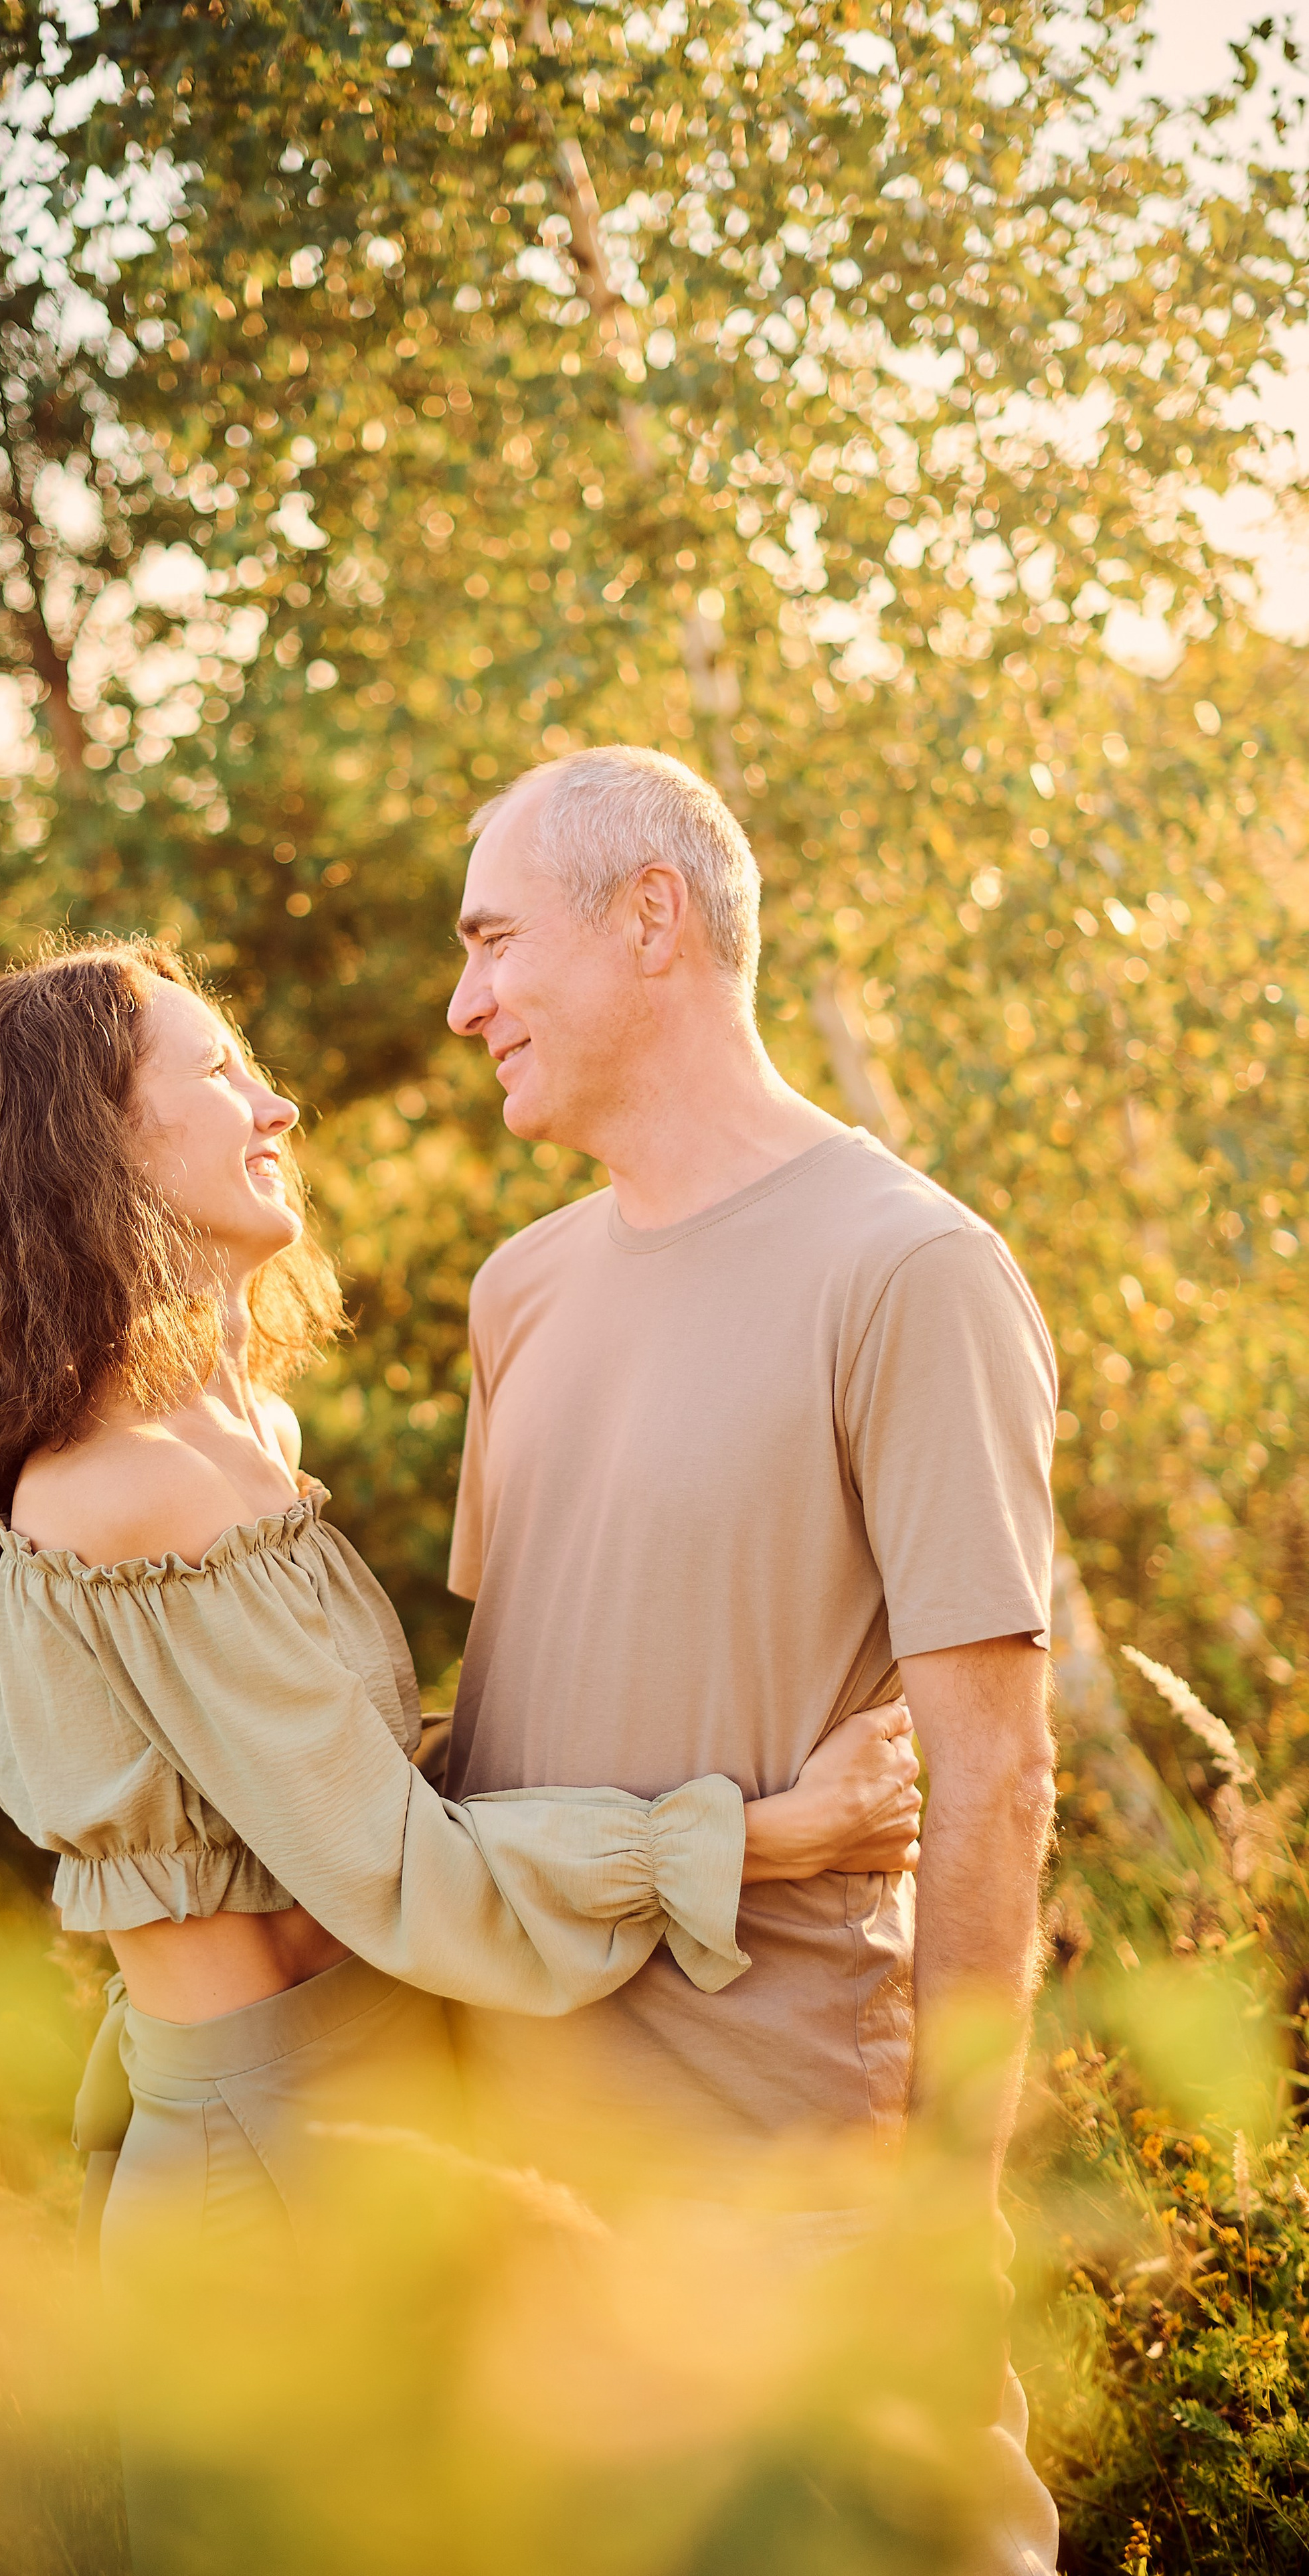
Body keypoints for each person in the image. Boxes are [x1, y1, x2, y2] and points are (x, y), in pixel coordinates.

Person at [0, 935, 921, 2271]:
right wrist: (770, 1833)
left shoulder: (243, 1437)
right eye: (223, 1072)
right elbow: (405, 1874)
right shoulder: (119, 1492)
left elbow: (374, 1787)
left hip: (386, 2114)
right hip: (269, 2166)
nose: (275, 1106)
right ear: (91, 1145)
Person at [442, 746, 1061, 2575]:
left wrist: (952, 2200)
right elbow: (505, 1721)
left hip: (792, 2198)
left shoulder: (913, 1269)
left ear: (654, 916)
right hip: (517, 2211)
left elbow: (998, 1779)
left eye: (491, 942)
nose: (464, 1001)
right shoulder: (521, 1291)